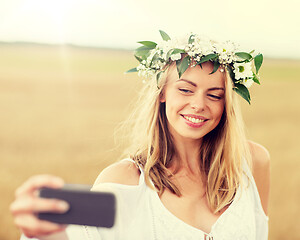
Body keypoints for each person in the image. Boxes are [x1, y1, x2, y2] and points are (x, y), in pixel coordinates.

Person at [10, 31, 270, 240]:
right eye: (186, 90)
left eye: (214, 95)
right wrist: (44, 231)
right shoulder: (125, 181)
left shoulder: (252, 162)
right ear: (163, 93)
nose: (199, 105)